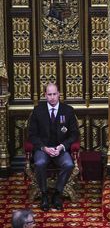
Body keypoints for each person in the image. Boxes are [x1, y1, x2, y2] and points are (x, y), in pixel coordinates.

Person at [28, 83, 79, 211]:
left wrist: (62, 146)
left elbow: (74, 135)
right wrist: (44, 148)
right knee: (39, 163)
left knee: (68, 164)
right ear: (45, 95)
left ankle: (57, 193)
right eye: (49, 94)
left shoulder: (68, 110)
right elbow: (32, 135)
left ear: (59, 94)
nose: (52, 97)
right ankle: (44, 194)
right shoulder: (38, 110)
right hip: (43, 149)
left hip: (60, 149)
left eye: (54, 94)